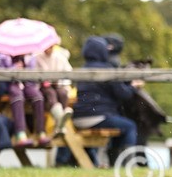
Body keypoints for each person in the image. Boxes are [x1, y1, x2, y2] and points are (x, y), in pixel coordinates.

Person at [58, 35, 139, 167]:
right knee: (130, 127)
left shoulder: (82, 70)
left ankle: (114, 164)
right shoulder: (108, 70)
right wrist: (133, 87)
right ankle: (126, 164)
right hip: (98, 118)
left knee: (120, 127)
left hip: (78, 118)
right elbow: (123, 94)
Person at [0, 53, 47, 148]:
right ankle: (20, 133)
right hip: (11, 84)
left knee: (38, 97)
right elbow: (1, 74)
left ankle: (41, 132)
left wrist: (26, 69)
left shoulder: (30, 57)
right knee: (18, 97)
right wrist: (14, 68)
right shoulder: (3, 57)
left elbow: (33, 77)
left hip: (27, 83)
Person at [33, 42, 73, 133]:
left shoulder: (60, 57)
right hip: (44, 88)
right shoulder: (37, 58)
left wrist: (59, 81)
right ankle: (60, 120)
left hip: (58, 85)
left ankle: (60, 122)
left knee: (62, 93)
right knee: (50, 93)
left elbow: (68, 73)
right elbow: (34, 76)